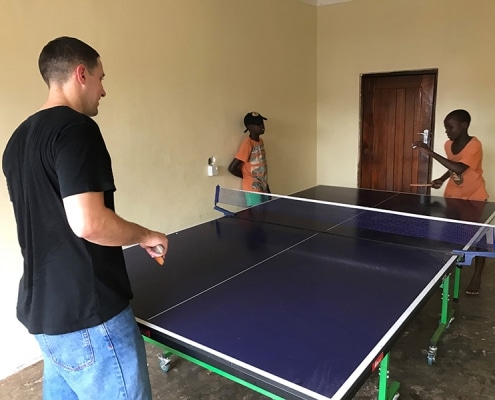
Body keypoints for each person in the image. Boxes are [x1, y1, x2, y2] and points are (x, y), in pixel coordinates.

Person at [2, 36, 168, 400]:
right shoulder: (77, 129)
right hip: (90, 316)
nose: (103, 91)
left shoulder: (17, 141)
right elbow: (88, 223)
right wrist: (144, 234)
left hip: (43, 314)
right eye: (101, 78)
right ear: (81, 74)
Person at [413, 109, 488, 295]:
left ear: (464, 125)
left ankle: (477, 276)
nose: (447, 131)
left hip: (474, 196)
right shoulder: (448, 145)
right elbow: (452, 166)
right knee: (451, 233)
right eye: (446, 127)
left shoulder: (474, 145)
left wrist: (429, 152)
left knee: (480, 237)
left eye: (450, 127)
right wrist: (442, 178)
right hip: (453, 194)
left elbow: (461, 168)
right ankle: (447, 271)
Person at [228, 111, 270, 205]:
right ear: (250, 127)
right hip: (252, 188)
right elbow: (232, 168)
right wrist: (248, 177)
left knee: (266, 213)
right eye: (258, 124)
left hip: (263, 186)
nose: (262, 126)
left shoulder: (261, 142)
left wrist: (266, 186)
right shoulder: (247, 144)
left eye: (262, 123)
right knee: (256, 216)